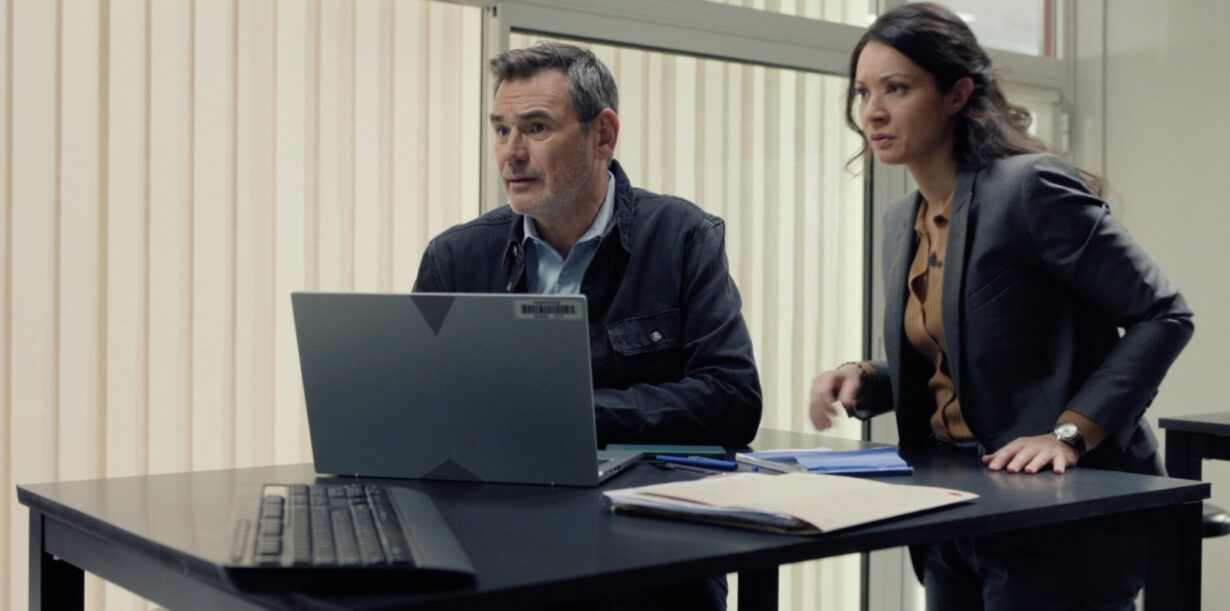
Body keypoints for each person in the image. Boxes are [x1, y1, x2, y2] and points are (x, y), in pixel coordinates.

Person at [807, 4, 1193, 610]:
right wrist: (867, 378)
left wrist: (1069, 434)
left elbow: (1164, 314)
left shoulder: (1029, 188)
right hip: (953, 508)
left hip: (1061, 515)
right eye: (863, 92)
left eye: (896, 88)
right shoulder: (900, 221)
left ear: (957, 94)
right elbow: (972, 354)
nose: (872, 111)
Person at [413, 42, 760, 610]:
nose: (512, 153)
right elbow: (420, 420)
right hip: (499, 548)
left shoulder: (681, 237)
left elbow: (732, 397)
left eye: (536, 128)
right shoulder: (456, 257)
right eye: (501, 130)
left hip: (653, 557)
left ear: (603, 135)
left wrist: (571, 413)